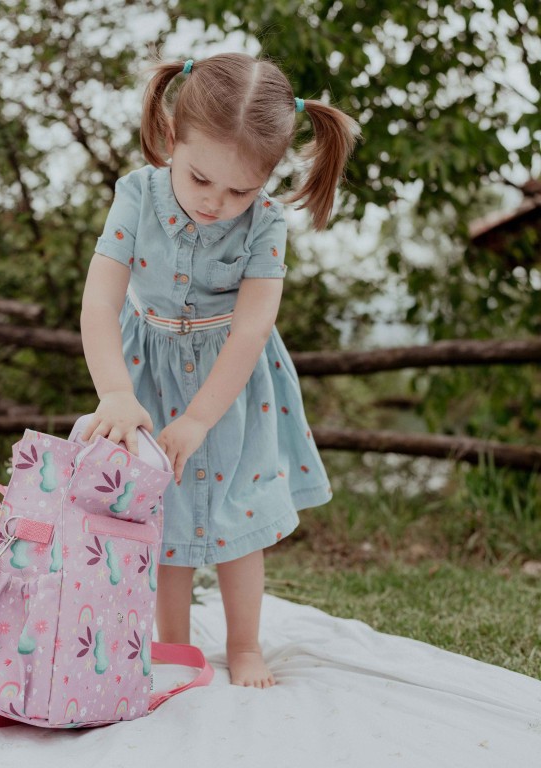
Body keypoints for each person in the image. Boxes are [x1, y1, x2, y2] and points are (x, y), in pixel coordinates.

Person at [79, 53, 360, 688]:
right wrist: (116, 394)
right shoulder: (136, 195)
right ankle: (173, 646)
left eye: (240, 190)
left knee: (238, 515)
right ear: (173, 140)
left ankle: (246, 645)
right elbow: (99, 303)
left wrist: (201, 417)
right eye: (201, 179)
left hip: (233, 384)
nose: (216, 203)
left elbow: (253, 326)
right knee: (163, 509)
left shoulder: (265, 223)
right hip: (146, 367)